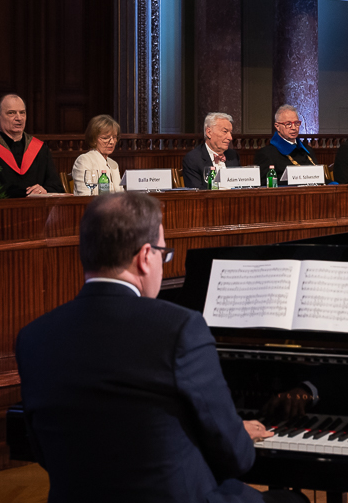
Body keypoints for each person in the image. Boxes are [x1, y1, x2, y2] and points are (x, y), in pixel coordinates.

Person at [15, 194, 304, 503]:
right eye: (163, 254)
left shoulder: (32, 337)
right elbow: (237, 459)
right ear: (145, 256)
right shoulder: (179, 328)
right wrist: (235, 433)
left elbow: (44, 452)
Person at [0, 93, 65, 197]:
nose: (19, 118)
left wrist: (43, 190)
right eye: (11, 113)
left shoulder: (40, 149)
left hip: (38, 206)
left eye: (22, 113)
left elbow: (57, 187)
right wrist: (26, 194)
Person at [253, 104, 318, 181]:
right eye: (288, 124)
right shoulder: (266, 154)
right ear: (277, 126)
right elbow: (264, 183)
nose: (293, 128)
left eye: (296, 123)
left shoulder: (307, 150)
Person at [183, 112, 242, 188]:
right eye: (225, 131)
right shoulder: (193, 159)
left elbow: (241, 185)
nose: (230, 138)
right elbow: (196, 192)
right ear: (209, 132)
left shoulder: (233, 155)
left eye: (230, 133)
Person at [71, 115, 123, 195]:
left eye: (114, 137)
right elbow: (84, 196)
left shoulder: (114, 164)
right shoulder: (84, 161)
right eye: (105, 138)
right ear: (94, 139)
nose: (112, 142)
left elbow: (121, 194)